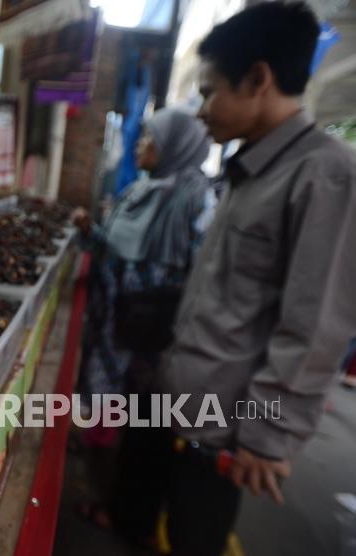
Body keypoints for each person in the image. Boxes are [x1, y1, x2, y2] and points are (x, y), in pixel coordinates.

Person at [112, 3, 356, 556]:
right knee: (154, 512)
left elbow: (316, 323)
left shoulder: (324, 174)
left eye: (208, 91)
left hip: (229, 422)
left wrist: (268, 440)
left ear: (258, 79)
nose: (200, 111)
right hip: (185, 393)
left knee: (199, 529)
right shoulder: (249, 169)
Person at [71, 107, 215, 526]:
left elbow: (201, 272)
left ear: (172, 147)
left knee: (145, 421)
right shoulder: (140, 189)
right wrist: (90, 233)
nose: (139, 144)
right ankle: (106, 477)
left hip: (152, 333)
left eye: (148, 138)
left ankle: (126, 511)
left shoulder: (194, 197)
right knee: (111, 404)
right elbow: (116, 253)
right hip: (113, 321)